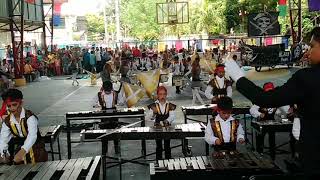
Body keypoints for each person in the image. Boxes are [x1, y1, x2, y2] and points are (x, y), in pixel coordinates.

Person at [224, 27, 320, 179]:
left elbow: (266, 99)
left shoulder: (307, 78)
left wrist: (239, 78)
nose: (308, 53)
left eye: (313, 46)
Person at [0, 89, 47, 164]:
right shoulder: (7, 121)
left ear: (21, 103)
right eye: (9, 106)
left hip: (37, 150)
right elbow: (3, 138)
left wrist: (23, 151)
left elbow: (32, 136)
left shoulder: (30, 117)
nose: (12, 108)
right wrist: (4, 153)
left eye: (14, 104)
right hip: (19, 148)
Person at [92, 80, 123, 153]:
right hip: (104, 115)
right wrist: (98, 106)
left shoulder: (116, 93)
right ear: (103, 88)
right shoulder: (99, 94)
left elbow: (121, 102)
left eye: (109, 91)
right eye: (106, 91)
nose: (108, 92)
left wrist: (117, 104)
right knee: (104, 133)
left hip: (114, 115)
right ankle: (104, 151)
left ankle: (117, 149)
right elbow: (93, 103)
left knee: (115, 132)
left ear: (112, 88)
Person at [147, 86, 176, 160]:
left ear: (166, 95)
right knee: (159, 146)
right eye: (160, 94)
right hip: (157, 128)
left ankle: (168, 161)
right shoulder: (153, 105)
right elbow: (149, 118)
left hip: (167, 128)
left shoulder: (170, 105)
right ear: (157, 95)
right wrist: (153, 113)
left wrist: (167, 121)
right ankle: (158, 161)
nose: (162, 96)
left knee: (167, 145)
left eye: (164, 94)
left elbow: (172, 116)